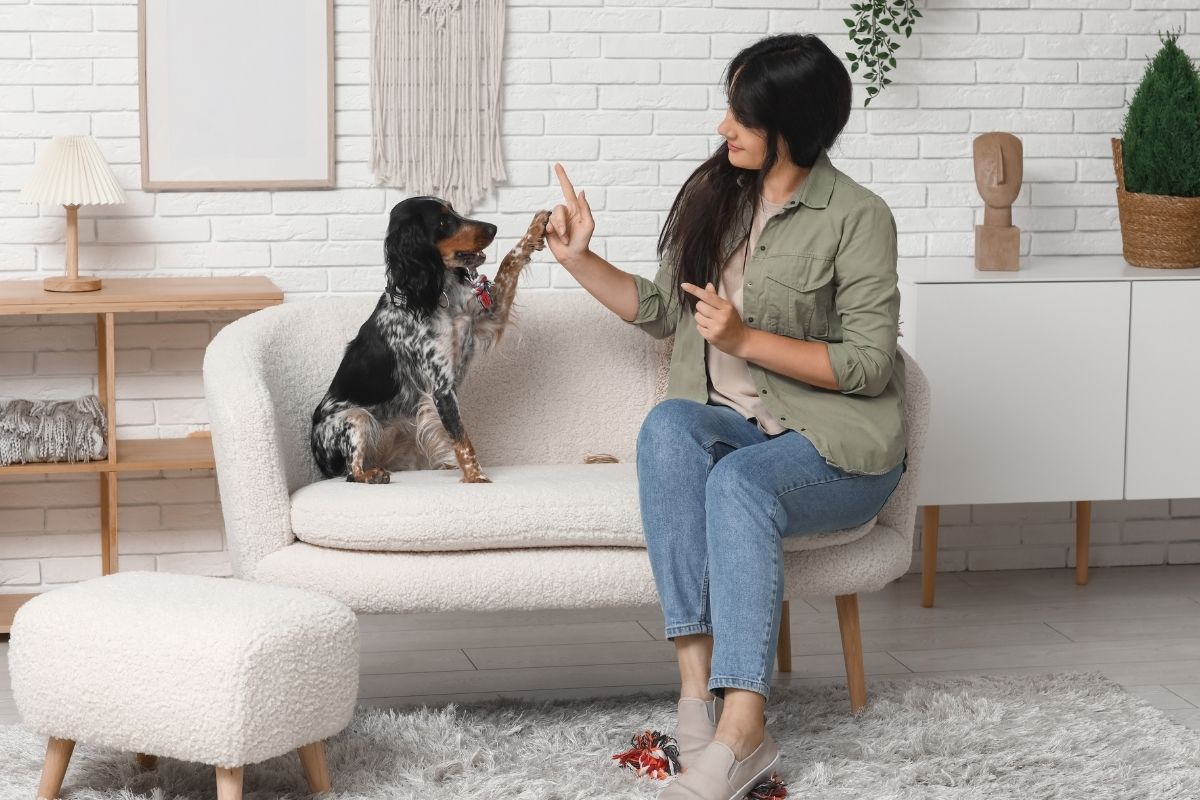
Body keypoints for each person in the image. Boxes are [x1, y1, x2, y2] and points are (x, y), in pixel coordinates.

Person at [544, 32, 908, 800]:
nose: (724, 127)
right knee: (668, 427)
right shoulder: (718, 197)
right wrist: (578, 259)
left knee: (739, 483)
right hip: (740, 431)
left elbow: (871, 363)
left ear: (791, 125)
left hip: (835, 447)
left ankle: (745, 733)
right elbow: (662, 310)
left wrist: (747, 341)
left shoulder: (858, 216)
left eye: (742, 115)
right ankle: (695, 701)